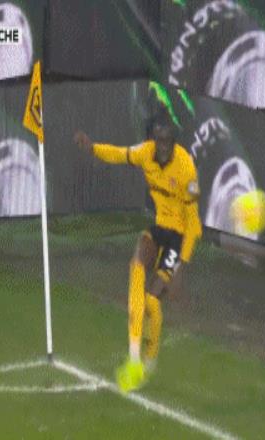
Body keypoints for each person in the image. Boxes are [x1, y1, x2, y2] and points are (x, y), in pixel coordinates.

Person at [73, 117, 202, 392]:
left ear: (174, 143)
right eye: (159, 141)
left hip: (178, 237)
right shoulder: (145, 153)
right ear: (153, 141)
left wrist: (182, 263)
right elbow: (119, 154)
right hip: (159, 227)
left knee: (152, 302)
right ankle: (134, 359)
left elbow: (194, 223)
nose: (163, 147)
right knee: (136, 266)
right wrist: (92, 148)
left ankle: (150, 359)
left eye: (168, 142)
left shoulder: (186, 168)